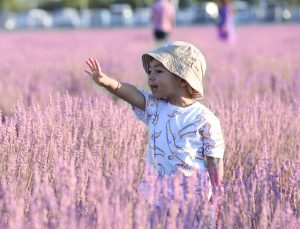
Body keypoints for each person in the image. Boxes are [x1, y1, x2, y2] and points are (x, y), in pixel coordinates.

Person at [84, 41, 225, 225]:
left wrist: (216, 196)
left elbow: (214, 161)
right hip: (155, 199)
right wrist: (108, 83)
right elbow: (132, 93)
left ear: (183, 78)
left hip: (193, 203)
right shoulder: (155, 107)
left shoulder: (205, 119)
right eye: (149, 71)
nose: (150, 77)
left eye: (158, 71)